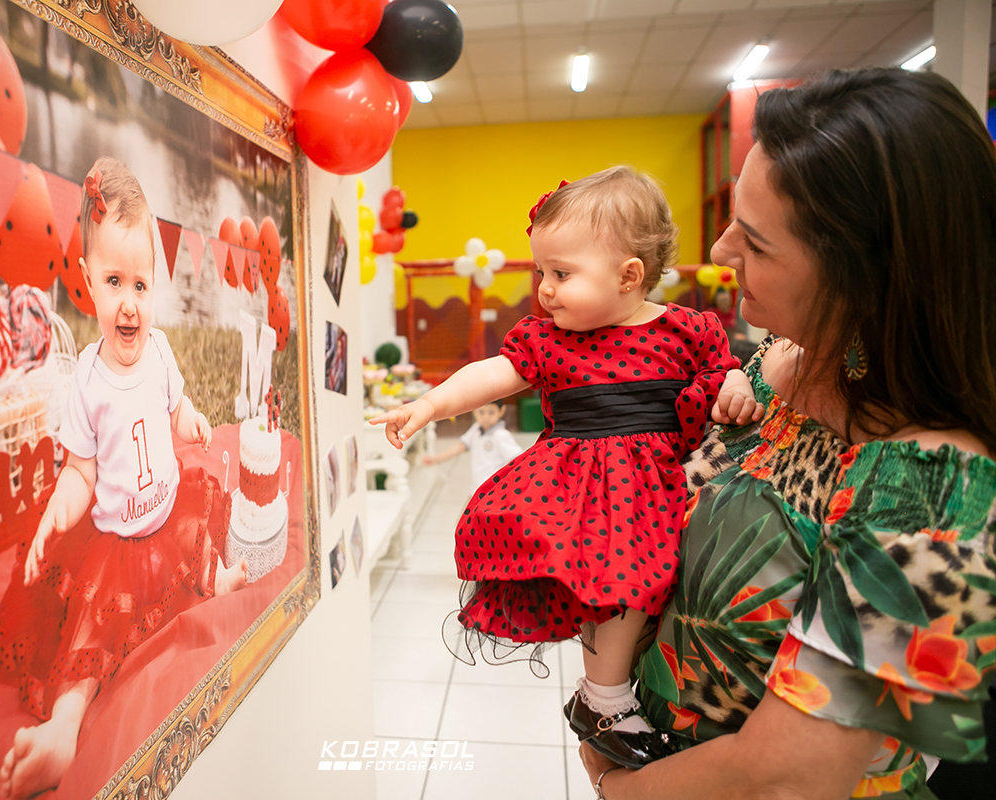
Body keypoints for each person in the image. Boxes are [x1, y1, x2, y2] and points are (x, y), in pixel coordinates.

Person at [574, 68, 996, 799]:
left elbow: (790, 777)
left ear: (867, 277)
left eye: (759, 244)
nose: (721, 250)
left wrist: (615, 786)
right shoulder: (774, 364)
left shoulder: (930, 489)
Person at [371, 166, 757, 764]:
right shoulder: (550, 339)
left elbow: (722, 368)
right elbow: (491, 376)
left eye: (561, 273)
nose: (545, 290)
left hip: (656, 484)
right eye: (541, 273)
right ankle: (603, 698)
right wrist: (429, 403)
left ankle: (609, 691)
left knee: (641, 593)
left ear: (629, 275)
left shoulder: (687, 330)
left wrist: (732, 380)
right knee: (616, 583)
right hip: (588, 490)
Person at [0, 157, 246, 798]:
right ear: (88, 284)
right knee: (94, 626)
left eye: (140, 285)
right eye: (114, 283)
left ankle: (210, 571)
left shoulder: (159, 350)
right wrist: (58, 507)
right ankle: (64, 726)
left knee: (200, 506)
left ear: (154, 285)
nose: (129, 305)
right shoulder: (88, 383)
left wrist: (190, 420)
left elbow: (173, 404)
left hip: (164, 510)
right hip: (116, 542)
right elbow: (79, 472)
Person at [422, 401, 524, 491]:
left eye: (491, 412)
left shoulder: (501, 435)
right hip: (478, 486)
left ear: (501, 411)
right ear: (474, 411)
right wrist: (436, 459)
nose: (486, 417)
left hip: (495, 488)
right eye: (481, 412)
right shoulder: (476, 429)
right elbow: (460, 446)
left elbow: (518, 459)